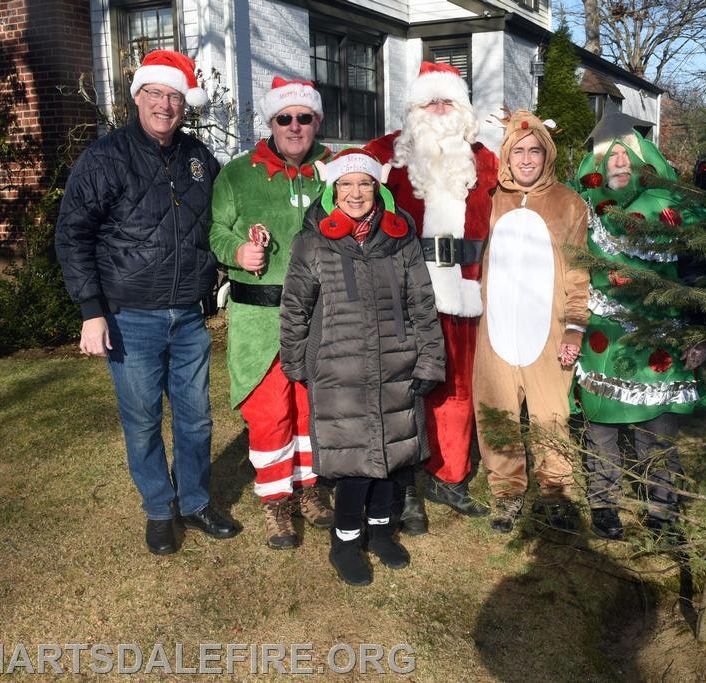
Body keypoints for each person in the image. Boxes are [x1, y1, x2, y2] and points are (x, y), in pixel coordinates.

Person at [55, 50, 238, 555]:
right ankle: (160, 509)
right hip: (130, 317)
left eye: (174, 96)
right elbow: (73, 236)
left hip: (189, 316)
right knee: (141, 421)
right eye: (154, 94)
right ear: (138, 98)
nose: (164, 104)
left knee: (196, 417)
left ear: (185, 104)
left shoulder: (199, 158)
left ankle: (195, 501)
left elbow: (225, 218)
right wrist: (91, 311)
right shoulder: (104, 158)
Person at [279, 149, 445, 586]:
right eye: (347, 184)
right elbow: (295, 307)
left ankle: (380, 533)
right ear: (334, 190)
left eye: (365, 183)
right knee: (352, 467)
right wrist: (297, 361)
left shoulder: (400, 239)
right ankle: (345, 543)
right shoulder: (313, 241)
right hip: (339, 369)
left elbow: (422, 305)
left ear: (378, 189)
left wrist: (429, 358)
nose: (356, 193)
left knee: (392, 460)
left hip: (396, 363)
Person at [364, 62, 498, 533]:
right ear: (414, 109)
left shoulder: (486, 161)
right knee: (403, 390)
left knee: (458, 388)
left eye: (449, 103)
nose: (440, 111)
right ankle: (403, 488)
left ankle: (451, 475)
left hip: (465, 295)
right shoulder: (384, 155)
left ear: (462, 110)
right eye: (430, 103)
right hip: (405, 296)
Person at [209, 77, 334, 549]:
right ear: (271, 122)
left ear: (316, 122)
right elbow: (215, 231)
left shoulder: (333, 170)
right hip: (259, 320)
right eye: (286, 118)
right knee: (269, 413)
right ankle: (276, 502)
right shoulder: (238, 174)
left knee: (310, 409)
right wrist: (237, 251)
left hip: (318, 316)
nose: (295, 126)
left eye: (305, 117)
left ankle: (308, 489)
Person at [571, 114, 706, 540]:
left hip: (661, 338)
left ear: (639, 158)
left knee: (658, 433)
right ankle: (605, 505)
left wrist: (698, 334)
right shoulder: (582, 210)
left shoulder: (672, 211)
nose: (617, 163)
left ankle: (662, 512)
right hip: (603, 338)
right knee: (602, 431)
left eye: (623, 155)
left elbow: (696, 277)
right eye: (609, 157)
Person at [472, 109, 590, 534]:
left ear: (547, 154)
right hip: (496, 329)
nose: (525, 159)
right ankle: (505, 492)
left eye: (534, 151)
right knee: (496, 413)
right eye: (517, 151)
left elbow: (579, 272)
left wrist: (575, 326)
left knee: (550, 417)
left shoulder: (568, 203)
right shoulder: (489, 199)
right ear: (506, 155)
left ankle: (555, 492)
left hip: (548, 330)